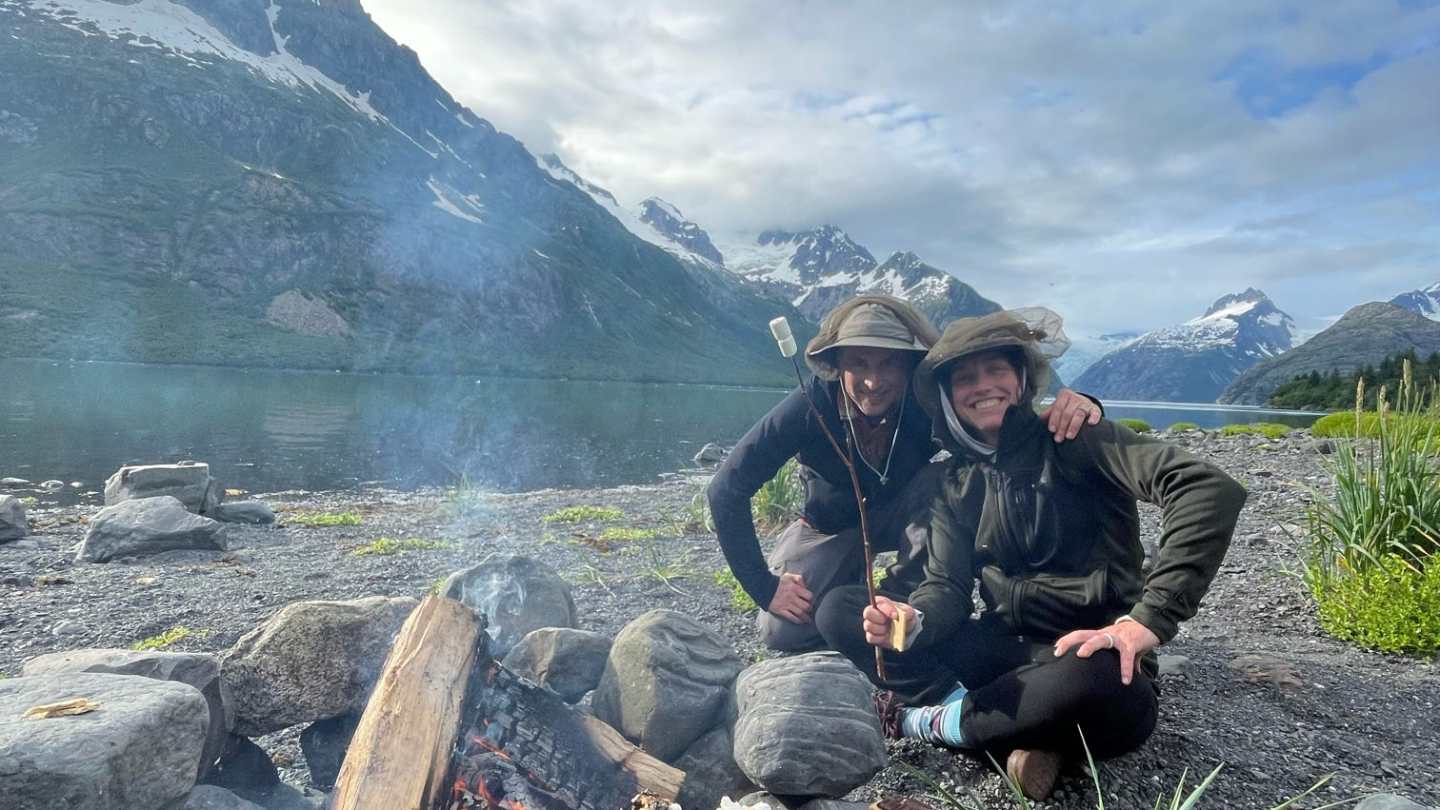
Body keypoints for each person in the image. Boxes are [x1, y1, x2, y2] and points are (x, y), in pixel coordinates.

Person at [814, 308, 1245, 800]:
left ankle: (928, 723)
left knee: (1095, 680)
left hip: (1088, 660)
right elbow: (947, 589)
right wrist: (916, 621)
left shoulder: (1078, 437)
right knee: (841, 609)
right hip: (1005, 653)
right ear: (947, 396)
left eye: (996, 370)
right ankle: (1010, 735)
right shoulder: (957, 479)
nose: (983, 386)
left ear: (1021, 379)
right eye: (965, 378)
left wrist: (1148, 619)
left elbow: (1206, 489)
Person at [708, 296, 1103, 652]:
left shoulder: (927, 400)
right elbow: (726, 489)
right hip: (828, 526)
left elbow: (1000, 422)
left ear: (909, 364)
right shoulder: (811, 403)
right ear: (837, 364)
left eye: (888, 364)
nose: (873, 381)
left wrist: (1081, 404)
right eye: (858, 363)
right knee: (782, 633)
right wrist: (765, 586)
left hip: (909, 512)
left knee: (941, 479)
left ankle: (910, 603)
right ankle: (851, 601)